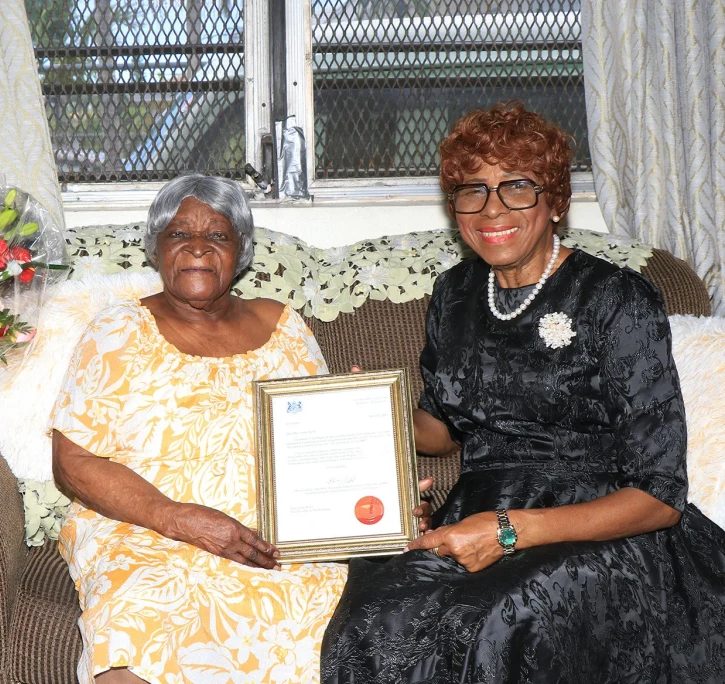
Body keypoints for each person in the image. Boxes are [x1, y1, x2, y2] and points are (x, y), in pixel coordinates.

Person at [321, 102, 725, 683]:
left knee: (498, 622)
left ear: (555, 200)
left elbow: (660, 497)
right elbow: (439, 432)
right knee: (372, 620)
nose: (492, 209)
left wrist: (510, 530)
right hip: (473, 512)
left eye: (516, 187)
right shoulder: (455, 293)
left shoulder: (616, 298)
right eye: (472, 190)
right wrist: (372, 406)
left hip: (596, 527)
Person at [50, 175, 433, 684]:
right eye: (179, 234)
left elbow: (324, 444)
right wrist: (177, 518)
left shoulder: (283, 324)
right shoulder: (115, 331)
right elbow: (72, 463)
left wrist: (385, 501)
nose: (198, 248)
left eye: (219, 235)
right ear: (157, 249)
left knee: (335, 618)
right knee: (139, 624)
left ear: (242, 252)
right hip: (146, 530)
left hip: (279, 535)